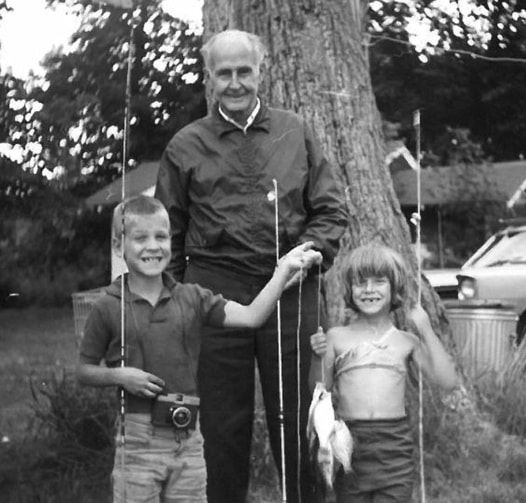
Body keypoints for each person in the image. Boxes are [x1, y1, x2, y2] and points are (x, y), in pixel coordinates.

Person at [154, 29, 347, 503]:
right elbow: (168, 233)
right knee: (221, 425)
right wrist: (175, 302)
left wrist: (307, 253)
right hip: (216, 294)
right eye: (225, 73)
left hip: (292, 289)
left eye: (245, 71)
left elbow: (330, 210)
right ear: (210, 79)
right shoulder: (185, 145)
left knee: (301, 416)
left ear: (262, 72)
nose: (236, 82)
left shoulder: (295, 130)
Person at [77, 195, 322, 503]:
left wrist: (282, 271)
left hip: (188, 439)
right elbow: (84, 371)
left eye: (161, 237)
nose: (153, 246)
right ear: (118, 246)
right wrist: (121, 376)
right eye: (140, 238)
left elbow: (251, 316)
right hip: (138, 442)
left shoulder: (192, 297)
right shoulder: (108, 306)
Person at [310, 245, 459, 502]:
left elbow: (448, 381)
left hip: (394, 446)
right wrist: (317, 355)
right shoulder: (336, 337)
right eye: (360, 283)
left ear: (394, 290)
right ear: (349, 290)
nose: (369, 290)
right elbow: (319, 390)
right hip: (349, 441)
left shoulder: (406, 341)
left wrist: (426, 330)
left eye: (379, 282)